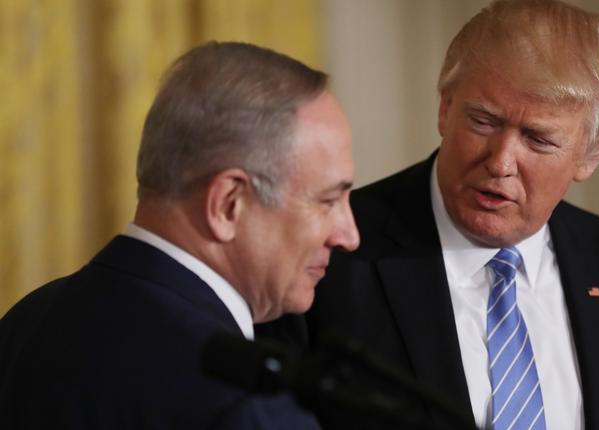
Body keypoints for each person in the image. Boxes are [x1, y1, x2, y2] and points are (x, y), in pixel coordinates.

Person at [303, 1, 599, 429]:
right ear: (445, 107)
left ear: (589, 155)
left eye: (538, 140)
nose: (500, 162)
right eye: (483, 121)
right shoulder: (330, 250)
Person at [0, 41, 359, 429]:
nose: (348, 235)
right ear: (228, 205)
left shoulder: (23, 324)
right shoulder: (248, 402)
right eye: (328, 201)